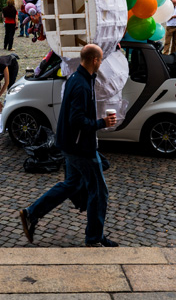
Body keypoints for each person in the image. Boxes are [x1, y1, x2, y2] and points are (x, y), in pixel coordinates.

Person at [19, 44, 118, 247]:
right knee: (99, 192)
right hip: (80, 147)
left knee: (71, 184)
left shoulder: (77, 78)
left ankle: (31, 213)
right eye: (101, 60)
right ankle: (93, 237)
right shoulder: (81, 84)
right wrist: (102, 123)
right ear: (95, 61)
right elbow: (77, 120)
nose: (101, 64)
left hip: (69, 144)